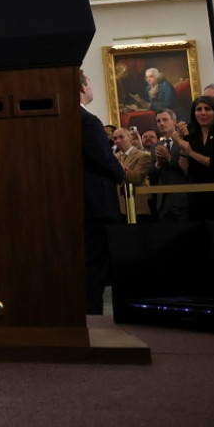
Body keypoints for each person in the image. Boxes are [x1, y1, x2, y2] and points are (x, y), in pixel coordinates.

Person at [80, 70, 127, 315]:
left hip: (76, 204)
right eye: (89, 82)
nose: (91, 87)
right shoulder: (87, 120)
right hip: (95, 205)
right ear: (81, 87)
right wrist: (120, 171)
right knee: (95, 268)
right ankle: (94, 321)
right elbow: (104, 160)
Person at [171, 95, 214, 221]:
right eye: (199, 109)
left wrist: (191, 152)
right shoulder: (192, 134)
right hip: (197, 195)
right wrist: (182, 147)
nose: (203, 113)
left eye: (207, 109)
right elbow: (185, 170)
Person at [150, 109, 188, 222]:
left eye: (165, 120)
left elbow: (187, 169)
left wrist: (168, 158)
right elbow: (151, 173)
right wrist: (158, 163)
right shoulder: (155, 146)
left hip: (182, 198)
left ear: (174, 121)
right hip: (162, 201)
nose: (161, 123)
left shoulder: (184, 142)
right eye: (158, 121)